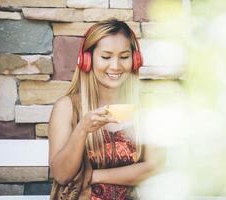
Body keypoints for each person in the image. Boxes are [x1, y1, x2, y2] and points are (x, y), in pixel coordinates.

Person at [48, 18, 162, 200]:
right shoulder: (67, 107)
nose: (115, 66)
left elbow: (155, 165)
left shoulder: (146, 108)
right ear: (87, 59)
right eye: (106, 57)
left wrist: (92, 176)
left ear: (135, 60)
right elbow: (62, 175)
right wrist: (82, 129)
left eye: (124, 57)